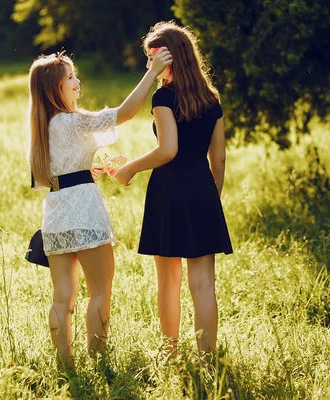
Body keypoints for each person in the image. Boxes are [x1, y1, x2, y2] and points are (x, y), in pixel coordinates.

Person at [27, 48, 172, 366]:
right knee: (99, 293)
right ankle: (98, 363)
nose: (77, 82)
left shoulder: (41, 127)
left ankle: (65, 365)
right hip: (85, 210)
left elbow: (51, 176)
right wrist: (153, 72)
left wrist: (89, 169)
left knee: (62, 297)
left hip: (55, 213)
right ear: (56, 87)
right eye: (70, 77)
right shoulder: (73, 121)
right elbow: (126, 112)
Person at [115, 21, 233, 358]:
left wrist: (129, 168)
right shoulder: (211, 98)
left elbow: (168, 150)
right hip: (202, 190)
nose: (149, 65)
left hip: (168, 192)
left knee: (169, 281)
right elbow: (219, 157)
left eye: (151, 58)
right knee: (204, 284)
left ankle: (171, 353)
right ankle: (208, 358)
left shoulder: (164, 96)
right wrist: (213, 196)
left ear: (166, 57)